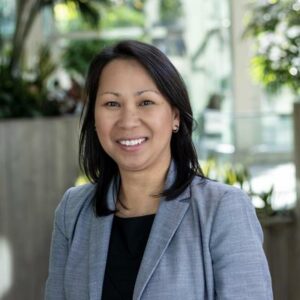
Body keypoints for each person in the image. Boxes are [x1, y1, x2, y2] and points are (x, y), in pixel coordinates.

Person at [45, 40, 273, 300]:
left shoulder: (223, 209)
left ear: (175, 116)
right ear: (94, 119)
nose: (128, 120)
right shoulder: (73, 211)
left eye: (145, 102)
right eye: (111, 104)